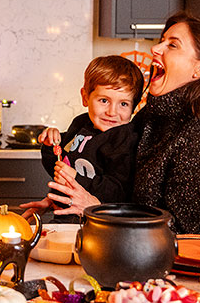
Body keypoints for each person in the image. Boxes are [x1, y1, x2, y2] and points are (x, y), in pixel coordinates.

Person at [40, 12, 200, 235]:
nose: (156, 48)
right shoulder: (155, 115)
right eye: (162, 40)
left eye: (172, 45)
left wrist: (96, 210)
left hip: (181, 265)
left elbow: (190, 233)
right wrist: (68, 201)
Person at [21, 55, 144, 222]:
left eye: (123, 104)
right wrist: (51, 145)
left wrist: (76, 178)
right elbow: (58, 167)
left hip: (97, 223)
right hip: (64, 215)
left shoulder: (125, 140)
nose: (112, 112)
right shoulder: (81, 124)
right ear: (85, 97)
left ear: (133, 107)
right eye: (104, 100)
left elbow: (117, 191)